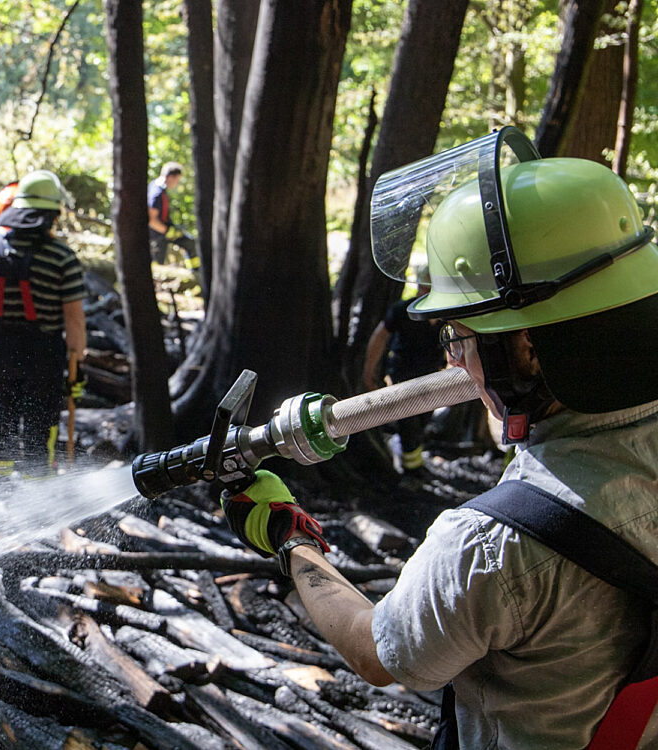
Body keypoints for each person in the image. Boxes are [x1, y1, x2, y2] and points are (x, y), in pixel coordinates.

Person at [222, 131, 658, 747]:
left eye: (459, 336)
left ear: (528, 349)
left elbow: (377, 652)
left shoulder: (496, 547)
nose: (456, 365)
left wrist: (289, 536)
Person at [0, 170, 87, 477]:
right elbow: (75, 321)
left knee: (0, 432)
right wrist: (78, 366)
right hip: (44, 358)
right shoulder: (62, 256)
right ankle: (37, 512)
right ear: (52, 214)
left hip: (0, 353)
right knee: (39, 438)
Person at [360, 267, 445, 474]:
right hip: (404, 374)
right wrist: (369, 371)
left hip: (431, 375)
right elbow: (380, 337)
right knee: (409, 422)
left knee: (423, 420)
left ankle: (408, 459)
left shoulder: (443, 313)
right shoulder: (402, 310)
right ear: (419, 287)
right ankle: (411, 470)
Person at [147, 162, 196, 266]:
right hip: (156, 236)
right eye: (177, 180)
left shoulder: (158, 187)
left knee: (190, 243)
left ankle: (195, 273)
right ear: (170, 177)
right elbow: (151, 220)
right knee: (157, 264)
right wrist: (168, 231)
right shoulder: (156, 193)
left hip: (164, 231)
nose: (177, 183)